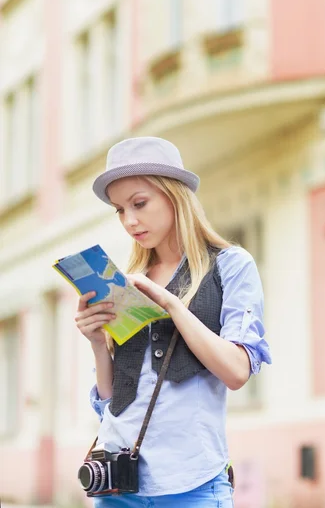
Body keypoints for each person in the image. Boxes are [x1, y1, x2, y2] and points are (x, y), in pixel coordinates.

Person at [75, 137, 271, 507]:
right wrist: (98, 343)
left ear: (174, 196)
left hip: (191, 483)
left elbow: (237, 372)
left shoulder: (230, 266)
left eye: (139, 203)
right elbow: (113, 400)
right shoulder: (129, 279)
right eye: (119, 209)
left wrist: (172, 305)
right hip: (117, 484)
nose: (129, 220)